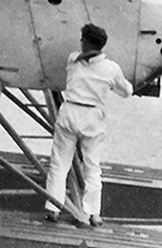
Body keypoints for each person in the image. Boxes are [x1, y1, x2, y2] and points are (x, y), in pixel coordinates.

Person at [44, 24, 134, 226]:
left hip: (70, 112)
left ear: (84, 42)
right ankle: (93, 213)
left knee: (59, 164)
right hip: (93, 117)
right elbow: (126, 91)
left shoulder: (73, 59)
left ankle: (53, 207)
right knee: (92, 167)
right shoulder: (111, 68)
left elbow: (81, 59)